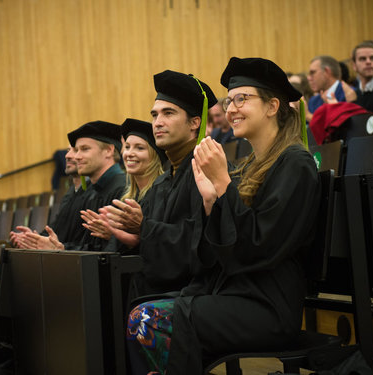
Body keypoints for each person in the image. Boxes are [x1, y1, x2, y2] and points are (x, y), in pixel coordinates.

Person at [126, 57, 321, 375]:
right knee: (141, 309)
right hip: (238, 294)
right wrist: (210, 203)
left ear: (272, 106)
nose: (230, 109)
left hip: (268, 306)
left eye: (242, 98)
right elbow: (219, 250)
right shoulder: (253, 165)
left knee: (147, 319)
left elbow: (258, 247)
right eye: (229, 100)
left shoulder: (295, 163)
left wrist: (222, 186)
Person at [100, 70, 218, 299]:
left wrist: (144, 228)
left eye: (168, 113)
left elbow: (200, 244)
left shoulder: (207, 171)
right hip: (160, 288)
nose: (157, 122)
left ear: (195, 122)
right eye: (154, 115)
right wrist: (133, 237)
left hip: (194, 296)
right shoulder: (163, 181)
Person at [17, 121, 126, 251]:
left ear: (108, 150)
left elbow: (110, 251)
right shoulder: (91, 191)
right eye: (76, 150)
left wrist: (61, 249)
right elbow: (84, 243)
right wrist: (42, 242)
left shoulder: (123, 188)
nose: (76, 157)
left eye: (84, 149)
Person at [80, 118, 166, 250]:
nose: (129, 153)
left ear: (155, 156)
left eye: (140, 148)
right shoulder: (128, 198)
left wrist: (126, 240)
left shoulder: (162, 194)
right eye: (127, 147)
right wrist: (115, 236)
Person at [9, 144, 85, 248]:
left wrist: (60, 248)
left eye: (75, 150)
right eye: (68, 150)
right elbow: (58, 228)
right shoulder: (70, 193)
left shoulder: (92, 193)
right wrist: (35, 238)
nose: (67, 155)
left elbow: (87, 243)